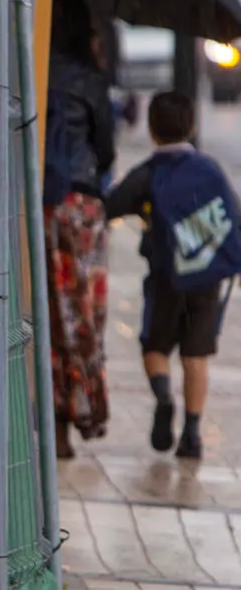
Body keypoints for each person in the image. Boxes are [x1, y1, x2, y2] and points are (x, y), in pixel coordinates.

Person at [104, 92, 241, 460]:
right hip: (208, 279)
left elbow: (110, 206)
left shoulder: (148, 173)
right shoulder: (210, 169)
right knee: (197, 355)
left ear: (152, 130)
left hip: (167, 278)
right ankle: (193, 432)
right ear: (191, 127)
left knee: (155, 346)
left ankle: (164, 396)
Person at [44, 0, 117, 458]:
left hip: (44, 202)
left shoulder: (35, 67)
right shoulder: (91, 80)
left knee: (52, 313)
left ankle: (53, 422)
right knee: (86, 317)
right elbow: (106, 149)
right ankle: (83, 406)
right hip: (84, 208)